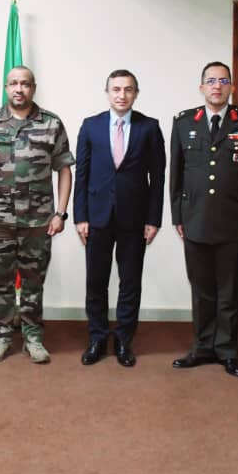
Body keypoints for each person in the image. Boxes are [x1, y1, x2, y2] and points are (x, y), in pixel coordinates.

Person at [0, 66, 74, 364]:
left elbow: (64, 169)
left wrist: (60, 213)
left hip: (38, 220)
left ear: (33, 88)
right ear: (6, 87)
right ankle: (1, 337)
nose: (19, 89)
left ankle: (33, 337)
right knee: (1, 282)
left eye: (25, 84)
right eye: (13, 83)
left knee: (33, 282)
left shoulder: (51, 124)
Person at [169, 62, 238, 376]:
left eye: (223, 81)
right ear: (201, 87)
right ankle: (202, 347)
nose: (217, 86)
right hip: (195, 219)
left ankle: (227, 350)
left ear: (232, 87)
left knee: (229, 291)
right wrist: (177, 215)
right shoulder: (184, 122)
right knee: (201, 290)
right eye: (211, 81)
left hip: (234, 221)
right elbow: (176, 174)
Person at [73, 69, 165, 367]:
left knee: (130, 282)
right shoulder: (91, 126)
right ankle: (97, 338)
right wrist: (80, 216)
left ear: (136, 93)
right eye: (116, 89)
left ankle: (124, 340)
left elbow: (158, 178)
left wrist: (153, 219)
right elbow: (81, 175)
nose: (121, 95)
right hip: (96, 218)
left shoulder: (149, 127)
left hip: (134, 219)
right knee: (96, 282)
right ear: (107, 92)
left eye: (128, 89)